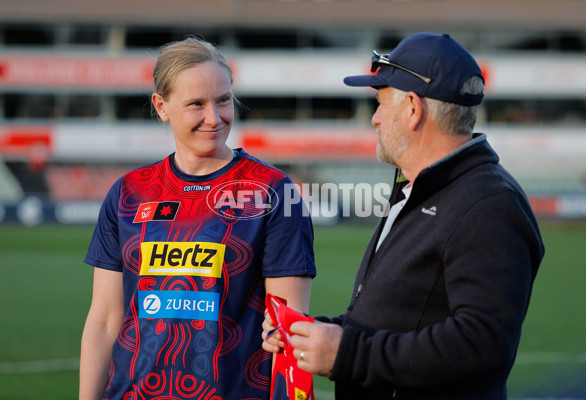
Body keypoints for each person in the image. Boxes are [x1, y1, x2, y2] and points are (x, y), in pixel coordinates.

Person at [263, 32, 545, 399]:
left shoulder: (489, 202)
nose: (375, 119)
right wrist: (315, 333)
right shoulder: (420, 187)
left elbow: (484, 343)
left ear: (413, 109)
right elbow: (397, 317)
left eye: (382, 103)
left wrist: (346, 353)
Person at [80, 37, 315, 400]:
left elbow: (286, 331)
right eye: (196, 104)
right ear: (162, 106)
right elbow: (105, 320)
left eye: (223, 100)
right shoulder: (128, 193)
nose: (214, 117)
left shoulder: (273, 192)